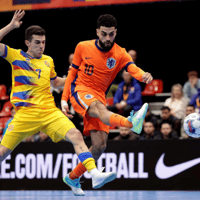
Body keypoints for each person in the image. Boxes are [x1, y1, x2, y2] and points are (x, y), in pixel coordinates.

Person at [0, 10, 117, 196]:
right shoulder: (16, 56)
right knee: (2, 153)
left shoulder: (48, 61)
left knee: (76, 135)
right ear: (27, 43)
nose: (41, 46)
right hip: (25, 114)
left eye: (43, 42)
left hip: (49, 112)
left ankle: (94, 173)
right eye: (37, 42)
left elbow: (55, 82)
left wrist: (73, 75)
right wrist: (11, 26)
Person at [61, 14, 153, 195]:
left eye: (111, 34)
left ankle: (72, 177)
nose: (107, 38)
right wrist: (64, 99)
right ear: (97, 32)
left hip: (99, 96)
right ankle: (130, 122)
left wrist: (144, 76)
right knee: (98, 109)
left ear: (116, 33)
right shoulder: (82, 46)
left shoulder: (120, 53)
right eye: (104, 34)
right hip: (80, 90)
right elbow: (72, 75)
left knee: (100, 145)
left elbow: (132, 68)